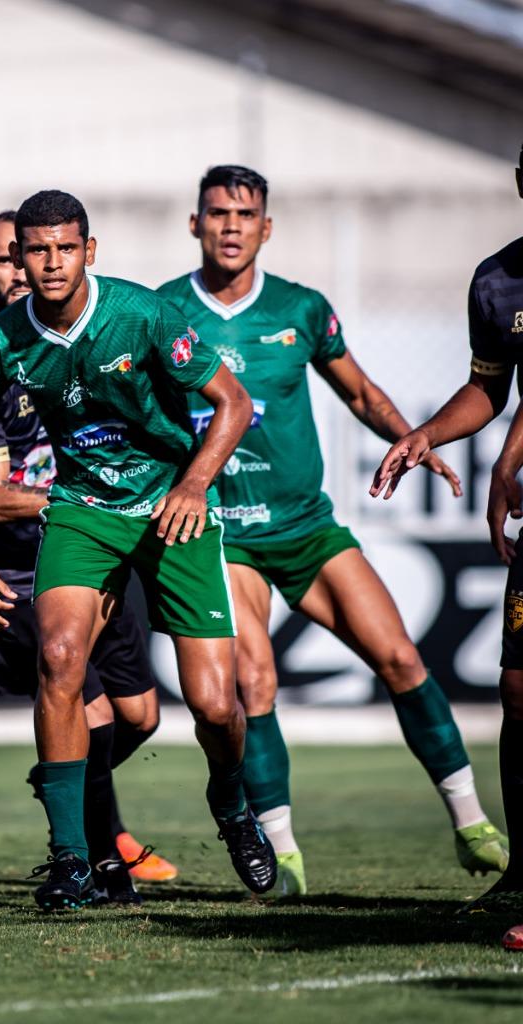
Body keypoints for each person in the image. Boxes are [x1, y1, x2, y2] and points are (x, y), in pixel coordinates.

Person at [161, 164, 507, 897]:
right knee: (255, 681)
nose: (230, 225)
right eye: (217, 212)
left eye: (244, 213)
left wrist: (417, 440)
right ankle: (283, 854)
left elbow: (358, 391)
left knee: (402, 660)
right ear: (194, 224)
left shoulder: (302, 309)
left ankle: (472, 821)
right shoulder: (162, 313)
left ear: (266, 227)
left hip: (307, 527)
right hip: (223, 534)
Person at [0, 190, 275, 910]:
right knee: (58, 658)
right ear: (18, 259)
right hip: (83, 510)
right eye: (36, 249)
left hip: (172, 509)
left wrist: (192, 486)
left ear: (90, 250)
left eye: (65, 248)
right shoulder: (0, 341)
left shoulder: (144, 313)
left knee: (215, 707)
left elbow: (233, 403)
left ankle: (232, 803)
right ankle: (71, 862)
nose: (51, 262)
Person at [0, 210, 177, 893]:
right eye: (8, 260)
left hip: (105, 547)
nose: (22, 272)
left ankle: (69, 800)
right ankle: (90, 857)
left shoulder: (83, 332)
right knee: (84, 708)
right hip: (27, 569)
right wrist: (87, 506)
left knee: (139, 717)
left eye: (35, 256)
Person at [372, 144, 523, 939]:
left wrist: (510, 453)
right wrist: (426, 434)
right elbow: (492, 386)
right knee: (520, 691)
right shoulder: (498, 281)